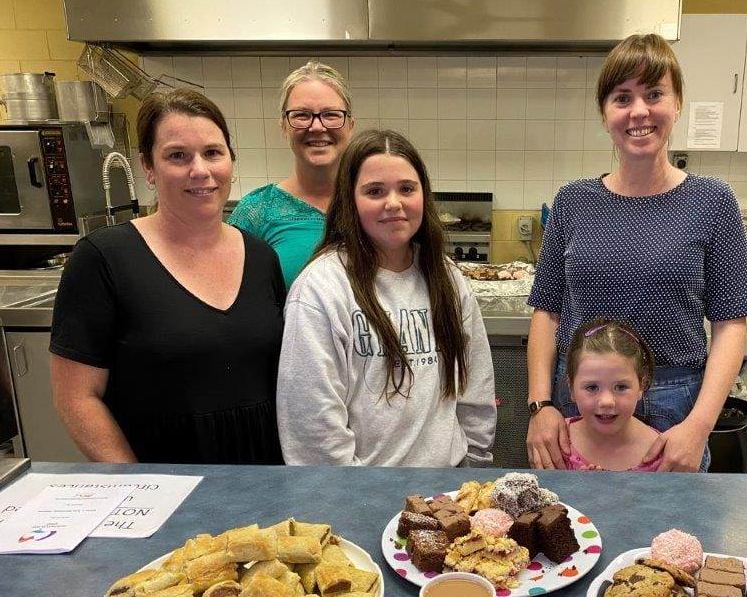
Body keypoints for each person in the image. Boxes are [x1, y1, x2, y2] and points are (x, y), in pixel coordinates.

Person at [526, 33, 747, 473]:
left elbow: (730, 325)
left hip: (673, 405)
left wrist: (699, 425)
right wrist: (540, 406)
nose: (639, 112)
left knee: (665, 537)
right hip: (581, 401)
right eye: (622, 97)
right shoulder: (574, 201)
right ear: (604, 112)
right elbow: (546, 310)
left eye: (654, 94)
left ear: (678, 102)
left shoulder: (712, 201)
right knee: (569, 531)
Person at [50, 89, 286, 464]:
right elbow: (77, 397)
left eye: (212, 152)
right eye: (178, 155)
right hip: (162, 480)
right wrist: (137, 484)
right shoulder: (104, 258)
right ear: (147, 166)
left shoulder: (260, 257)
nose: (200, 171)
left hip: (264, 475)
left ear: (230, 160)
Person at [277, 129, 496, 467]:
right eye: (375, 191)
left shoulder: (448, 278)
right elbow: (312, 426)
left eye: (406, 189)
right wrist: (354, 501)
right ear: (350, 201)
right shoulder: (321, 289)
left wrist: (471, 472)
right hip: (362, 498)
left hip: (445, 496)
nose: (393, 203)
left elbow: (475, 387)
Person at [228, 61, 355, 288]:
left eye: (331, 114)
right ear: (284, 127)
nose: (317, 126)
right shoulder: (256, 213)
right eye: (302, 115)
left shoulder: (373, 204)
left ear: (350, 126)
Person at [562, 318, 662, 472]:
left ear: (642, 385)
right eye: (592, 387)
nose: (607, 401)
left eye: (621, 387)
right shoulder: (556, 443)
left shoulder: (661, 452)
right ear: (571, 388)